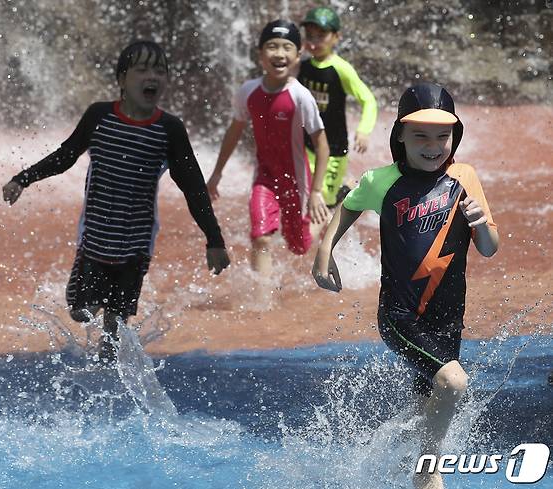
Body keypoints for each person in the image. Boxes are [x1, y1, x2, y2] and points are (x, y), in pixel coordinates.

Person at [312, 83, 499, 489]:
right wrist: (324, 252)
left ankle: (396, 470)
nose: (433, 146)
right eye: (420, 136)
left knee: (428, 402)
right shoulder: (382, 181)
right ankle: (427, 468)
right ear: (399, 134)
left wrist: (480, 221)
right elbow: (346, 207)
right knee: (453, 382)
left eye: (442, 136)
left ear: (455, 136)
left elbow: (489, 249)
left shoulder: (464, 177)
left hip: (448, 319)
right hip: (400, 316)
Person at [2, 41, 230, 362]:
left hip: (136, 243)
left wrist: (214, 240)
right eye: (142, 70)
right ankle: (94, 321)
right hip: (95, 239)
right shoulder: (100, 116)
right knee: (81, 311)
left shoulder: (169, 130)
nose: (152, 77)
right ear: (122, 80)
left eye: (159, 71)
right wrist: (23, 178)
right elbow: (66, 156)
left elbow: (193, 188)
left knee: (116, 323)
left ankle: (109, 378)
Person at [207, 20, 330, 281]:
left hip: (297, 181)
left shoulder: (300, 96)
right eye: (272, 46)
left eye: (287, 47)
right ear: (260, 54)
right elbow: (234, 132)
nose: (279, 53)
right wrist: (217, 173)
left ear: (297, 56)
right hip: (264, 178)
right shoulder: (248, 91)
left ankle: (329, 211)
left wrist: (316, 192)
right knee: (260, 237)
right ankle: (261, 301)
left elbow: (322, 145)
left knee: (299, 247)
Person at [298, 6, 377, 207]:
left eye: (321, 36)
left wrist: (364, 130)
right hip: (307, 144)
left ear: (336, 37)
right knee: (307, 195)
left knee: (327, 201)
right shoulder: (302, 67)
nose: (314, 42)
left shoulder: (341, 69)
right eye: (310, 36)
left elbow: (368, 99)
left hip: (334, 148)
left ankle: (347, 190)